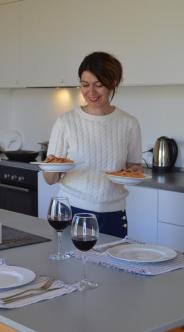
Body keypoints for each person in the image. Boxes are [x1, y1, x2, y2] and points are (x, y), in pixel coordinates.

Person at [44, 51, 143, 238]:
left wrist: (133, 172)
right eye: (85, 85)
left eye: (99, 85)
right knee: (72, 265)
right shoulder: (66, 122)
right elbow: (49, 180)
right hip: (72, 210)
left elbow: (133, 167)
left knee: (111, 266)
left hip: (114, 213)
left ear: (113, 83)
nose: (91, 92)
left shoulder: (129, 123)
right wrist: (54, 167)